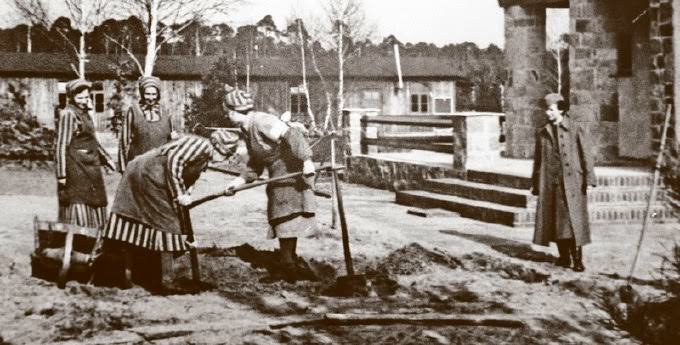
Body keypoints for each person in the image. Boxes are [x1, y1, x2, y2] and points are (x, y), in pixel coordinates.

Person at [97, 130, 239, 291]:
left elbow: (190, 174)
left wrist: (187, 193)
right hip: (147, 174)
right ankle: (167, 280)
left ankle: (137, 273)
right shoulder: (202, 145)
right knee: (168, 223)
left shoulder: (205, 154)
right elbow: (175, 161)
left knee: (166, 220)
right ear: (218, 146)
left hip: (151, 175)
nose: (225, 159)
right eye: (226, 154)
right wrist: (179, 194)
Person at [222, 86, 317, 282]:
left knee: (284, 216)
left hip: (291, 170)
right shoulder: (246, 129)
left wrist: (307, 161)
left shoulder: (262, 120)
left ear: (233, 111)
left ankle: (287, 265)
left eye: (227, 112)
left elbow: (292, 135)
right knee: (281, 216)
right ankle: (288, 262)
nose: (226, 115)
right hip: (277, 172)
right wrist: (238, 181)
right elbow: (256, 163)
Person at [531, 93, 596, 272]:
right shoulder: (543, 132)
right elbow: (537, 161)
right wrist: (536, 183)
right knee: (556, 221)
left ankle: (577, 259)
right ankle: (564, 257)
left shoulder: (575, 129)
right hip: (552, 183)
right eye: (546, 109)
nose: (547, 113)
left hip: (573, 182)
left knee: (573, 220)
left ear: (561, 109)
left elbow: (586, 155)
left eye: (550, 109)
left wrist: (589, 179)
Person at [55, 79, 115, 229]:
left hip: (91, 166)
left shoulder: (86, 114)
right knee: (78, 202)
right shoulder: (68, 114)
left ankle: (94, 240)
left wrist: (107, 159)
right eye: (79, 98)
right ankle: (77, 239)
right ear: (71, 97)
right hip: (75, 168)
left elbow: (92, 141)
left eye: (86, 97)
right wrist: (62, 175)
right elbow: (61, 145)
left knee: (96, 201)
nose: (83, 101)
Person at [118, 75, 178, 172]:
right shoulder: (133, 111)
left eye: (154, 94)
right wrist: (124, 168)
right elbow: (124, 142)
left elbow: (173, 140)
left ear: (158, 94)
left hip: (160, 168)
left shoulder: (166, 112)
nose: (151, 98)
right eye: (148, 94)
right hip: (138, 168)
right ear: (142, 93)